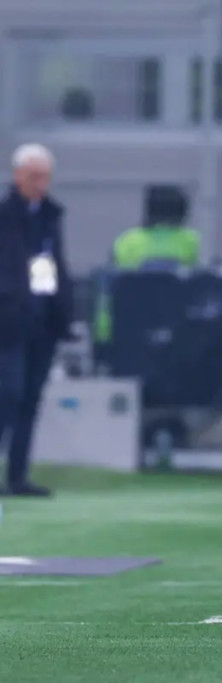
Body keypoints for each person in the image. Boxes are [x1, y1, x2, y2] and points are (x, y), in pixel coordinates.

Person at [0, 144, 73, 497]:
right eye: (33, 176)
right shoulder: (5, 216)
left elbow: (49, 267)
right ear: (17, 176)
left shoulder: (47, 217)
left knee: (30, 399)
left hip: (40, 322)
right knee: (7, 394)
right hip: (7, 322)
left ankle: (17, 476)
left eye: (44, 177)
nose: (39, 184)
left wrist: (58, 312)